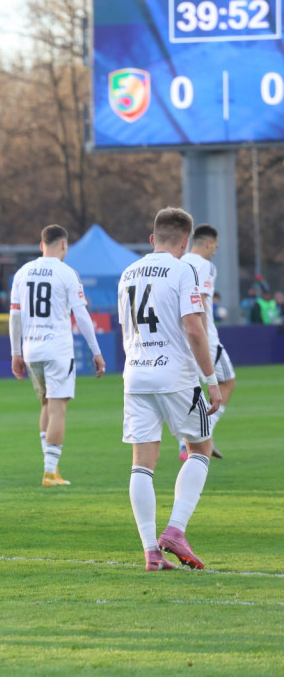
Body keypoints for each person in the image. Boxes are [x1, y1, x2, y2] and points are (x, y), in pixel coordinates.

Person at [118, 207, 222, 572]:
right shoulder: (184, 269)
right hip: (174, 375)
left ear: (151, 239)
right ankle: (176, 530)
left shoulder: (128, 272)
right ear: (184, 242)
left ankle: (151, 552)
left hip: (136, 375)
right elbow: (194, 329)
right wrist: (211, 382)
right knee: (201, 448)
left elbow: (126, 330)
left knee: (141, 465)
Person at [9, 225, 106, 486]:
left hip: (31, 350)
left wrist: (15, 353)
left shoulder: (22, 273)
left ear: (42, 245)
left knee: (45, 404)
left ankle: (49, 468)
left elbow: (15, 316)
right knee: (58, 408)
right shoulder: (67, 273)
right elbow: (82, 315)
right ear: (64, 245)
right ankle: (50, 472)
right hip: (57, 350)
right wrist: (96, 351)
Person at [179, 225, 232, 460]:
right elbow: (198, 301)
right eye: (215, 247)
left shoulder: (179, 262)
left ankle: (195, 437)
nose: (214, 252)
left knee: (192, 389)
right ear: (208, 243)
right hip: (204, 337)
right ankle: (200, 435)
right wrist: (202, 337)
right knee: (227, 382)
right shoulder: (205, 265)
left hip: (181, 338)